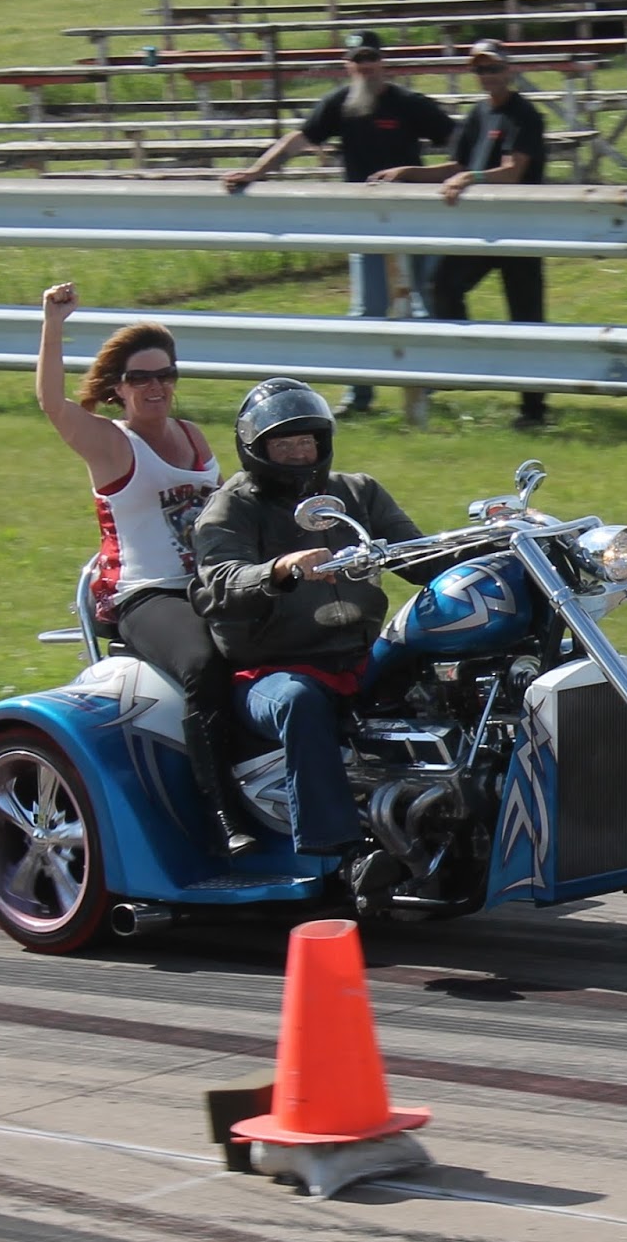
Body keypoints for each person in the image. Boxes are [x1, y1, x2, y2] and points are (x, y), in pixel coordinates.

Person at [190, 378, 455, 902]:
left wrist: (491, 553)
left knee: (453, 669)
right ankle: (343, 854)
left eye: (305, 442)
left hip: (357, 656)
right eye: (282, 445)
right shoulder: (232, 507)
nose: (297, 453)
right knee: (300, 702)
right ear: (256, 450)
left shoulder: (357, 493)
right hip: (271, 671)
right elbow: (217, 583)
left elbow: (418, 554)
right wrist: (278, 570)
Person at [34, 282, 256, 857]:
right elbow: (53, 406)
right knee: (205, 665)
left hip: (210, 584)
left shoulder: (193, 435)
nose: (156, 387)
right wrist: (54, 323)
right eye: (140, 378)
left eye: (165, 375)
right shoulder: (111, 443)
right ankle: (222, 811)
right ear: (119, 389)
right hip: (145, 595)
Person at [221, 30, 456, 418]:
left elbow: (459, 144)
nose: (365, 66)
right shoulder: (340, 104)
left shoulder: (409, 104)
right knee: (368, 309)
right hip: (363, 220)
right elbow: (298, 140)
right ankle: (358, 396)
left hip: (413, 219)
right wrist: (255, 172)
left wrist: (419, 175)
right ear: (348, 65)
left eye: (371, 58)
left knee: (417, 304)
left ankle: (423, 388)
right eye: (357, 59)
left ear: (383, 62)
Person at [370, 38, 551, 431]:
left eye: (494, 68)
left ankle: (534, 411)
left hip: (520, 230)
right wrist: (408, 172)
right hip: (482, 230)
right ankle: (470, 359)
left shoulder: (525, 115)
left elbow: (514, 170)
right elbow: (454, 165)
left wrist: (472, 177)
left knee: (526, 317)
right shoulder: (478, 114)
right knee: (442, 284)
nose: (488, 76)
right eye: (480, 69)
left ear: (510, 70)